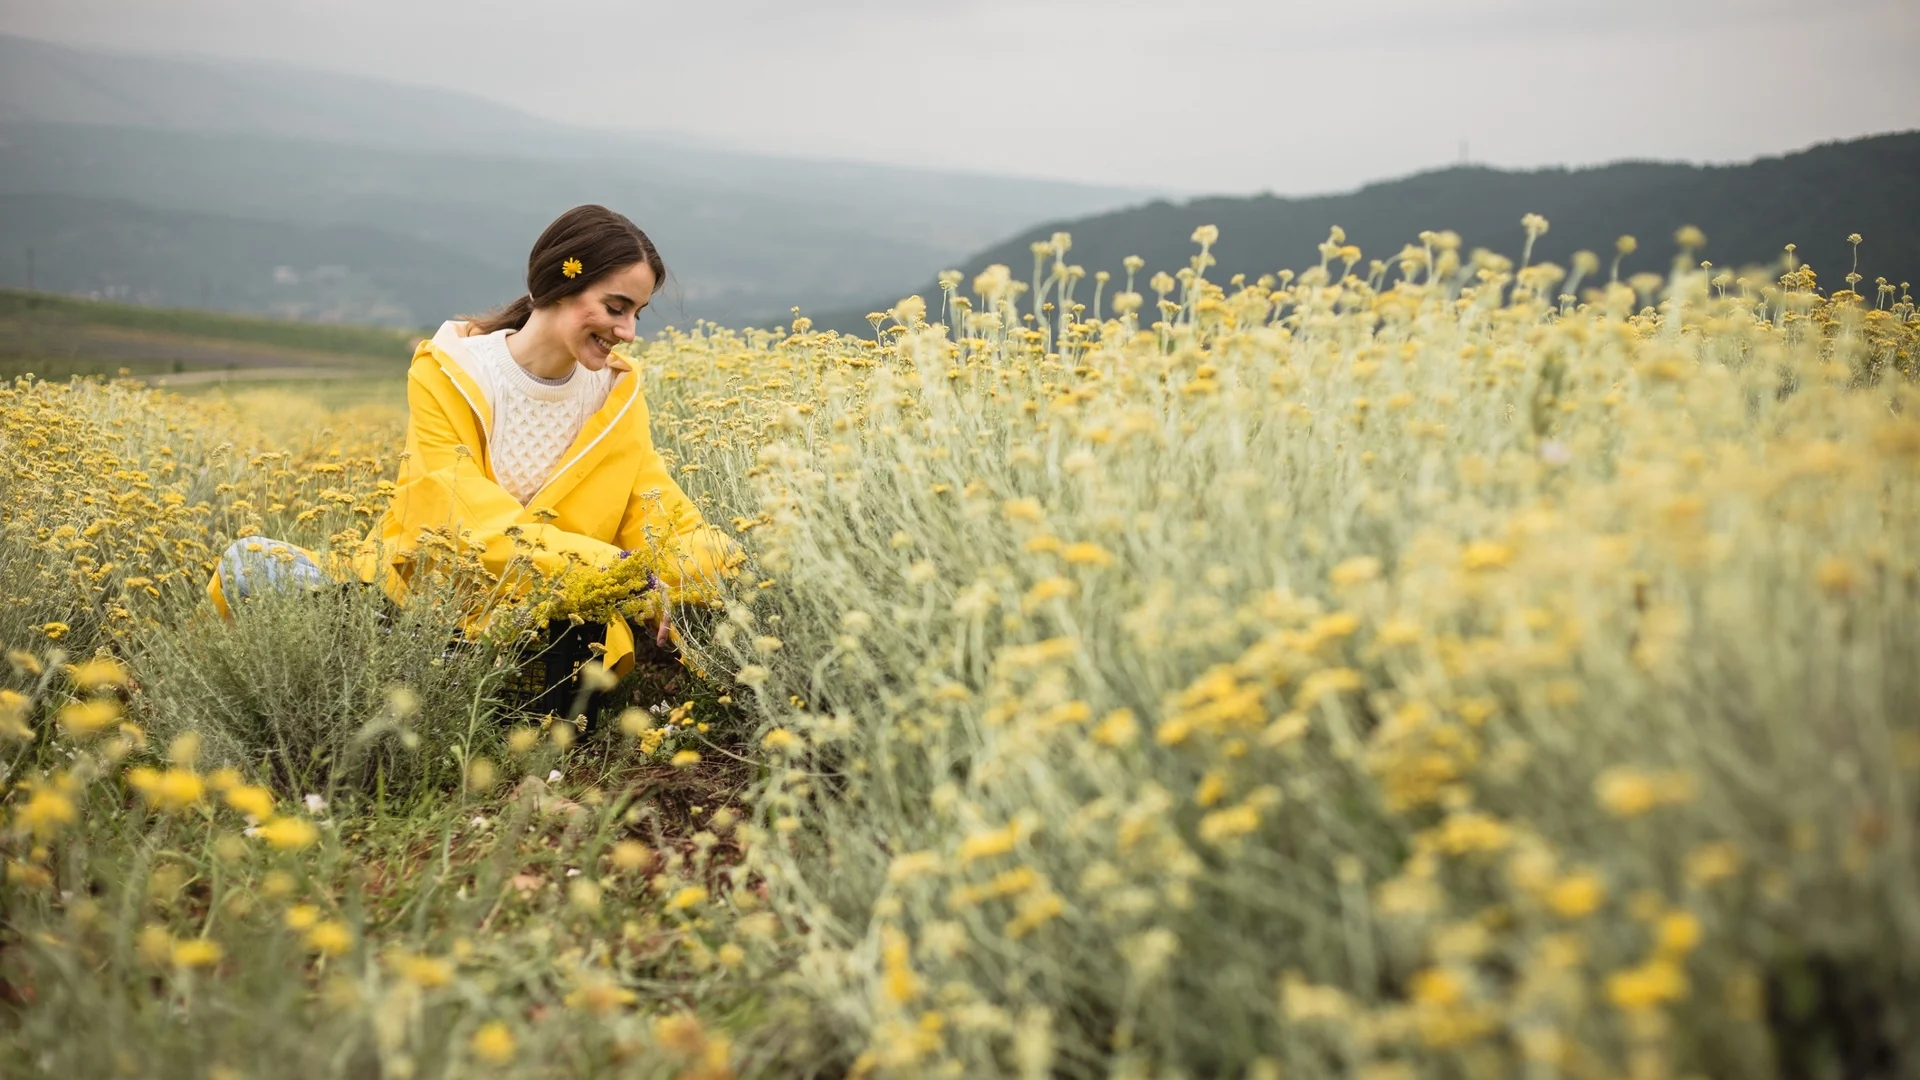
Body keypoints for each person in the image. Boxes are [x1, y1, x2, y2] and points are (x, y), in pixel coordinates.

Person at [208, 205, 739, 677]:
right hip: (420, 605)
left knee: (580, 645)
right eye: (616, 307)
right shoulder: (451, 372)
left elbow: (661, 515)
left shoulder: (617, 394)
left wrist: (708, 568)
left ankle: (402, 676)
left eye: (636, 314)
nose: (628, 332)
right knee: (247, 560)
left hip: (550, 622)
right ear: (559, 283)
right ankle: (413, 668)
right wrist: (626, 576)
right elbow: (462, 521)